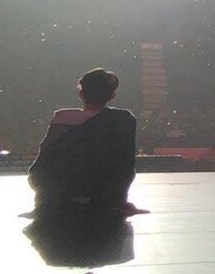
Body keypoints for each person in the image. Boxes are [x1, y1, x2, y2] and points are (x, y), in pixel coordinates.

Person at [27, 68, 138, 218]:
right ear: (112, 96)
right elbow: (126, 162)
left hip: (60, 192)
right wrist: (119, 199)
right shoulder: (124, 120)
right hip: (102, 192)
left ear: (81, 93)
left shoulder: (63, 117)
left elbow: (45, 155)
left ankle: (51, 202)